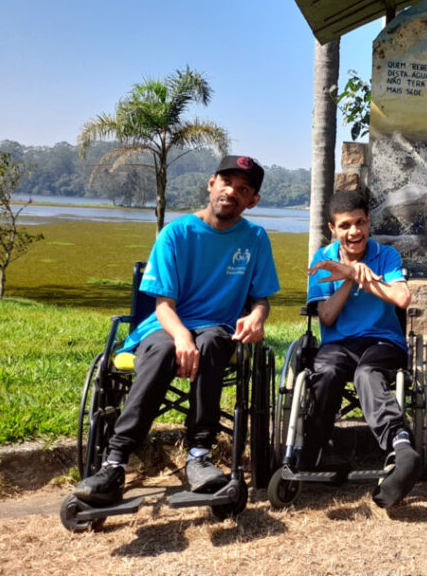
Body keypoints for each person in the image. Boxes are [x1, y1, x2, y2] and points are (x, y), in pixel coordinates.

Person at [72, 155, 280, 505]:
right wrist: (183, 337)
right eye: (226, 182)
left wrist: (258, 316)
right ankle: (114, 462)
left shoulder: (256, 238)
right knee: (168, 348)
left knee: (214, 341)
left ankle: (199, 455)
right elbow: (163, 306)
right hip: (165, 327)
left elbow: (261, 299)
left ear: (253, 200)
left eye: (243, 189)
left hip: (216, 329)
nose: (232, 191)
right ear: (211, 183)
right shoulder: (176, 233)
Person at [304, 190, 422, 508]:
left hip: (382, 341)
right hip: (338, 343)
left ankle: (400, 444)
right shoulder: (322, 260)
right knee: (326, 372)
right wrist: (348, 277)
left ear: (368, 223)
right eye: (345, 225)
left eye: (360, 223)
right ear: (333, 228)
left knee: (368, 373)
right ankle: (314, 450)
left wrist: (359, 275)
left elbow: (402, 298)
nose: (354, 231)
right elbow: (326, 316)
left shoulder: (386, 256)